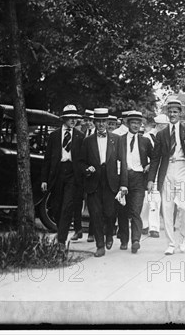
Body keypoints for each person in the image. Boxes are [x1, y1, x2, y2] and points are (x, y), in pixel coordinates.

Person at [147, 99, 185, 255]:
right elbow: (155, 159)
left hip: (183, 170)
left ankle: (183, 238)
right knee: (167, 208)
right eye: (170, 112)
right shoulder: (161, 135)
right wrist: (151, 179)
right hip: (167, 172)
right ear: (167, 113)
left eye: (175, 112)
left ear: (180, 114)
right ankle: (171, 243)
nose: (172, 114)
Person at [79, 108, 123, 257]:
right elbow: (80, 162)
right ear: (95, 122)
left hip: (111, 180)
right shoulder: (87, 141)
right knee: (96, 214)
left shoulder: (116, 139)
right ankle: (100, 245)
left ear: (108, 122)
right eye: (98, 121)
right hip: (94, 181)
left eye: (104, 121)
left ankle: (109, 233)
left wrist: (123, 184)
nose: (101, 124)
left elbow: (122, 162)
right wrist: (87, 169)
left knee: (110, 213)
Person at [40, 105, 85, 249]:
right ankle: (61, 232)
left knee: (67, 207)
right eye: (70, 118)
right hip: (57, 173)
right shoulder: (54, 136)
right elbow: (47, 159)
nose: (73, 120)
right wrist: (44, 179)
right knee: (56, 207)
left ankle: (61, 241)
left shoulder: (80, 136)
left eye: (75, 118)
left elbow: (83, 159)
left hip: (73, 174)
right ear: (64, 119)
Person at [117, 111, 152, 253]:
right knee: (123, 211)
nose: (136, 125)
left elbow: (155, 157)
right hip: (123, 178)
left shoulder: (145, 141)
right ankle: (124, 239)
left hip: (138, 178)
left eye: (138, 123)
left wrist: (149, 165)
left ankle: (136, 240)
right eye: (133, 123)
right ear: (128, 124)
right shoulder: (120, 140)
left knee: (136, 210)